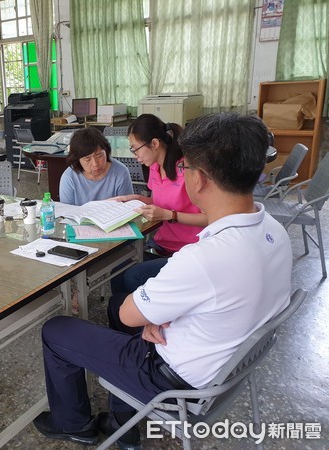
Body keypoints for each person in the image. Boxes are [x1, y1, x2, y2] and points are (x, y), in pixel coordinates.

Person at [32, 112, 292, 448]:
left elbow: (129, 315)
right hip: (221, 363)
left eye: (186, 169)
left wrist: (148, 317)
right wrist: (158, 315)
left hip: (171, 378)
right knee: (116, 305)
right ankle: (121, 422)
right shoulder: (274, 231)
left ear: (199, 180)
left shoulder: (202, 259)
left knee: (57, 330)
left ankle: (74, 424)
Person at [108, 114, 207, 334]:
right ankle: (127, 330)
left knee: (134, 276)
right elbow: (161, 202)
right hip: (162, 244)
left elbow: (209, 217)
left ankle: (153, 327)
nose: (135, 156)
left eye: (136, 149)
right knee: (117, 273)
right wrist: (142, 200)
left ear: (154, 143)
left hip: (186, 252)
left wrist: (170, 215)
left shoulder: (187, 170)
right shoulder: (154, 167)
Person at [59, 127, 133, 205]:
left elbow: (127, 208)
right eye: (87, 159)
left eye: (99, 155)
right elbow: (67, 212)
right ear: (77, 159)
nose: (95, 164)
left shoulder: (120, 172)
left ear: (106, 152)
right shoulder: (69, 177)